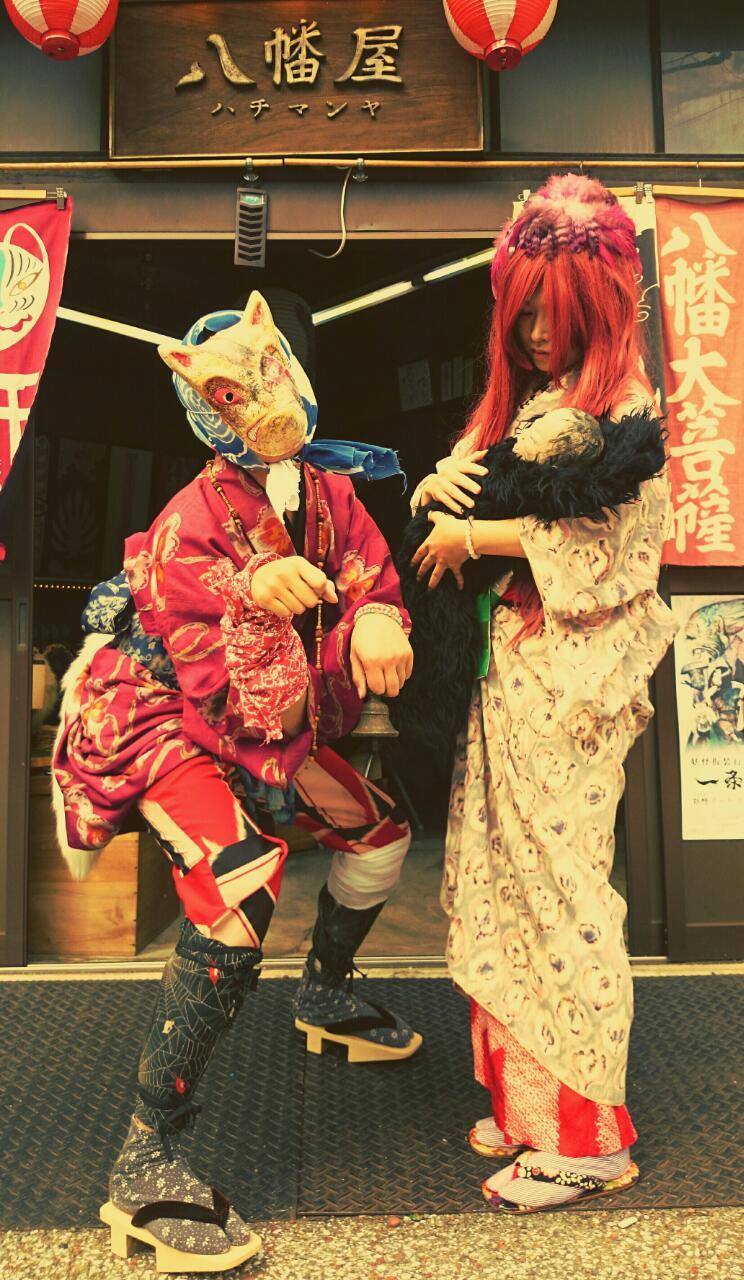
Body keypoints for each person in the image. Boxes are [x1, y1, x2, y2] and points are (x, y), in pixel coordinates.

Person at [53, 292, 419, 1270]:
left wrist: (376, 618)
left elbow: (372, 578)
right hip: (168, 714)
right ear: (202, 405)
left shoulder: (332, 491)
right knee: (238, 889)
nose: (264, 398)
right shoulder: (192, 514)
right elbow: (195, 632)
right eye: (232, 391)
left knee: (380, 836)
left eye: (270, 371)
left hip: (276, 719)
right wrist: (251, 593)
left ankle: (325, 993)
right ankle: (144, 1163)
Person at [408, 175, 678, 1213]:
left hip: (570, 686)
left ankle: (586, 1137)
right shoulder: (535, 401)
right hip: (511, 672)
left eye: (550, 313)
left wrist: (475, 535)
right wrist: (439, 486)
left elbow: (621, 557)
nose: (530, 333)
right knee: (501, 877)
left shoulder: (628, 409)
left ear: (599, 305)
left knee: (561, 890)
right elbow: (478, 487)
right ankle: (528, 1108)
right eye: (519, 312)